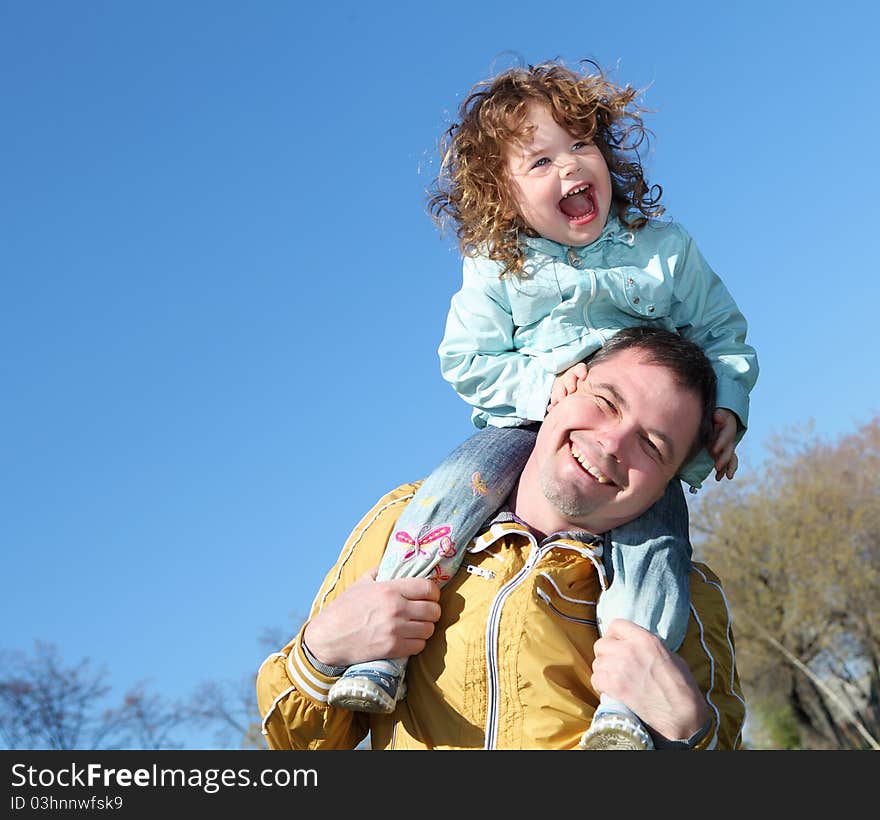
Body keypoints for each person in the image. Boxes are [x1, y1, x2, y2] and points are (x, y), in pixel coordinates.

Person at [324, 58, 758, 750]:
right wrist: (543, 384)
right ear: (503, 197)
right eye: (541, 161)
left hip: (640, 452)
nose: (569, 168)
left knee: (658, 550)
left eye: (581, 145)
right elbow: (465, 361)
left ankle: (626, 705)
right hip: (524, 432)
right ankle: (385, 646)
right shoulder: (498, 270)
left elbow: (722, 334)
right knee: (450, 491)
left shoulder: (663, 252)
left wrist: (728, 406)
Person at [256, 327, 747, 750]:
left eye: (652, 445)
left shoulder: (685, 599)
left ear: (667, 488)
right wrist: (319, 654)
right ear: (563, 389)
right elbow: (297, 743)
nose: (612, 443)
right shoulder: (405, 525)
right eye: (605, 402)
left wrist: (687, 731)